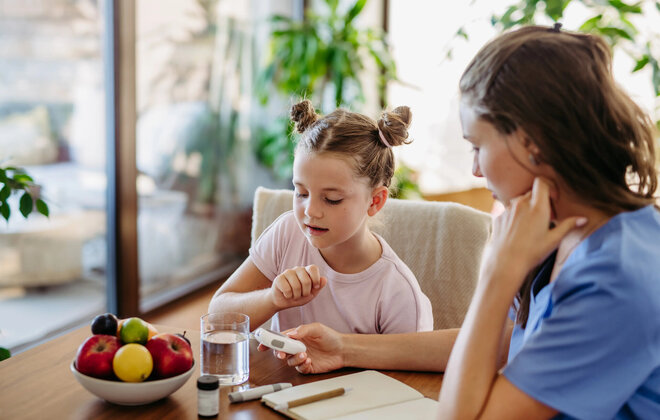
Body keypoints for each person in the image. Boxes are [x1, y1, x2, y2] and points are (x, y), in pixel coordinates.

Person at [277, 25, 660, 419]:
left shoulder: (616, 278)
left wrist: (497, 275)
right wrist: (344, 347)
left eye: (478, 145)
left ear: (534, 143)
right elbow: (506, 342)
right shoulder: (568, 232)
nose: (476, 169)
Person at [208, 99, 433, 335]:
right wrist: (273, 298)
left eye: (332, 199)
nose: (310, 211)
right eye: (301, 193)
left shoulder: (396, 291)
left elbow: (409, 368)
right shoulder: (288, 233)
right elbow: (216, 318)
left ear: (375, 201)